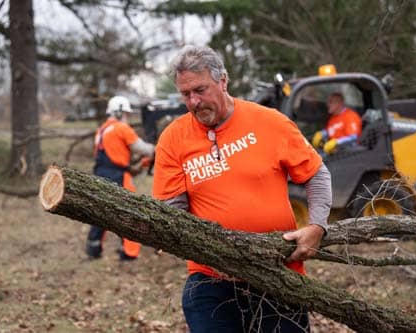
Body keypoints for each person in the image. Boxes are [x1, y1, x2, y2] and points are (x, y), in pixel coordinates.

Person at [152, 45, 332, 332]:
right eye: (186, 94)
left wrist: (318, 226)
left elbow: (316, 174)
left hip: (278, 271)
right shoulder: (173, 139)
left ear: (223, 81)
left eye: (201, 89)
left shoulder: (269, 122)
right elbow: (171, 210)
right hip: (211, 278)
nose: (194, 101)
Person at [86, 95, 155, 261]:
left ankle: (93, 249)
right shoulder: (121, 128)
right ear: (118, 112)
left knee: (100, 212)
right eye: (126, 114)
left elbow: (114, 155)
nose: (127, 118)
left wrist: (137, 166)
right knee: (130, 212)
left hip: (101, 173)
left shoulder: (102, 130)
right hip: (117, 176)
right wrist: (157, 148)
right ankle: (130, 252)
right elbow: (142, 149)